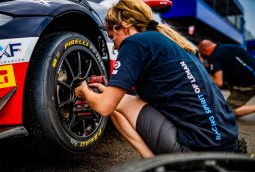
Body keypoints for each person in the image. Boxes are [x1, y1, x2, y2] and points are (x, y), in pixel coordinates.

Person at [74, 0, 239, 158]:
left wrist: (84, 91)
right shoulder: (175, 45)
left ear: (123, 26)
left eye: (112, 37)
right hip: (227, 145)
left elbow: (105, 107)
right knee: (117, 100)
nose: (115, 46)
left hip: (196, 151)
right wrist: (107, 92)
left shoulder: (134, 42)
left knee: (115, 106)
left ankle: (155, 165)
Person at [198, 39, 255, 118]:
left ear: (205, 50)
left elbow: (218, 82)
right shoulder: (230, 46)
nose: (203, 58)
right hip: (251, 76)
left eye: (202, 55)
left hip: (247, 85)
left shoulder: (214, 56)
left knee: (226, 112)